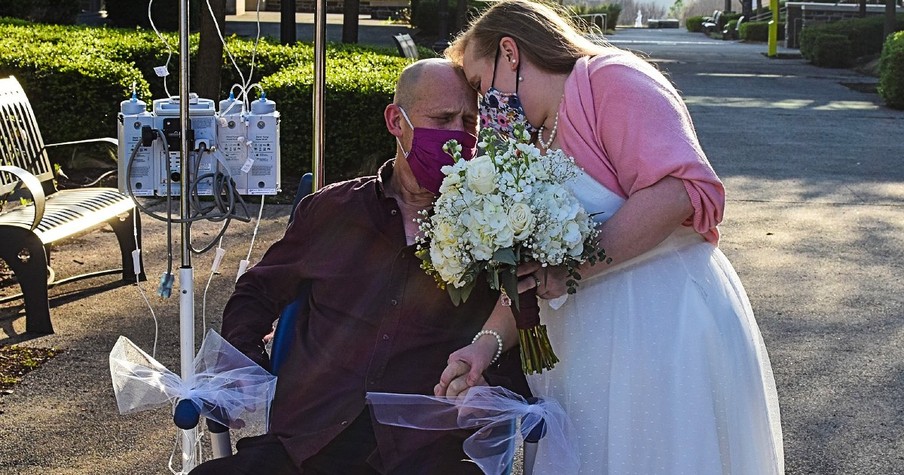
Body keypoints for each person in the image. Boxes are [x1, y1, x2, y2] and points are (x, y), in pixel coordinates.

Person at [434, 1, 784, 474]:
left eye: (480, 85)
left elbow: (679, 191)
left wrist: (572, 267)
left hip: (659, 338)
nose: (483, 106)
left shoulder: (610, 79)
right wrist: (484, 345)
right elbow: (533, 274)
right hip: (580, 367)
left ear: (510, 52)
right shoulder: (532, 138)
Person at [189, 58, 529, 475]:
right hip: (308, 444)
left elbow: (515, 326)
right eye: (442, 119)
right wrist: (245, 364)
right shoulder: (332, 211)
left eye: (469, 122)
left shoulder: (494, 225)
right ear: (395, 121)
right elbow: (256, 292)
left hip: (427, 451)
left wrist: (489, 386)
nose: (458, 135)